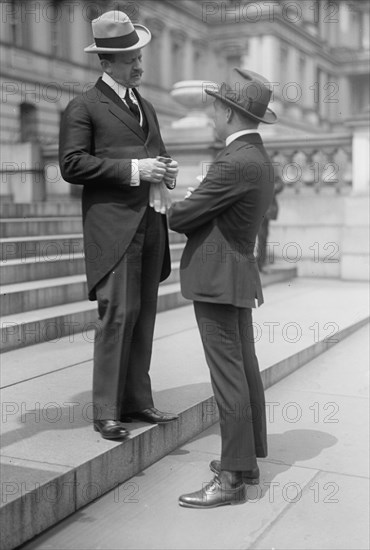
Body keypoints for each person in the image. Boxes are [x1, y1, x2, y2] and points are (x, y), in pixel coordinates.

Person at [59, 10, 179, 440]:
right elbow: (72, 165)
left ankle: (137, 401)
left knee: (144, 314)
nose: (139, 66)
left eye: (139, 57)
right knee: (117, 314)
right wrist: (134, 169)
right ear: (106, 63)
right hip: (112, 229)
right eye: (130, 59)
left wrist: (166, 170)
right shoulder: (83, 106)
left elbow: (158, 154)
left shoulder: (145, 106)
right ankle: (106, 411)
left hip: (151, 223)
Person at [169, 68, 277, 508]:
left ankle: (232, 476)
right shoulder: (256, 157)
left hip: (219, 280)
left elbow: (181, 218)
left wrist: (186, 199)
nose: (213, 113)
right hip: (235, 275)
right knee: (242, 369)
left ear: (229, 113)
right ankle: (245, 459)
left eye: (216, 106)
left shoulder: (234, 162)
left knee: (227, 376)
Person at [257, 174, 284, 272]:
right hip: (251, 208)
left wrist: (268, 189)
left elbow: (279, 185)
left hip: (264, 210)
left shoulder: (269, 168)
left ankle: (260, 263)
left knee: (262, 236)